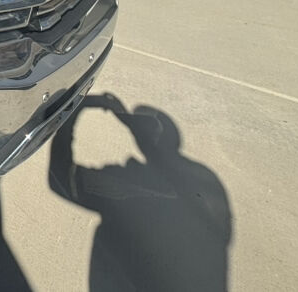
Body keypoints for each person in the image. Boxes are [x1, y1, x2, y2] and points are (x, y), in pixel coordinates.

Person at [49, 93, 231, 291]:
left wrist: (74, 110)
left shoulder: (123, 190)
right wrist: (131, 124)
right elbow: (160, 156)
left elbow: (60, 175)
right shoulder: (199, 181)